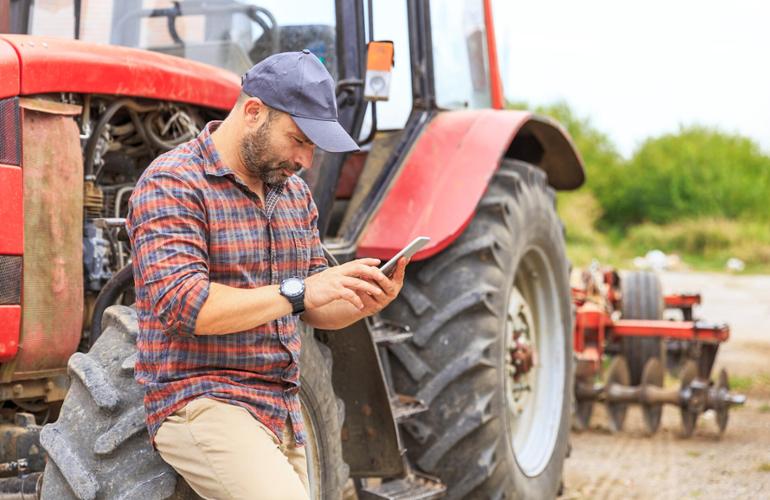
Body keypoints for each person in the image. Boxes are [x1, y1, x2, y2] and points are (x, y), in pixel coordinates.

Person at [127, 50, 407, 500]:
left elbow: (315, 307)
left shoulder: (294, 195)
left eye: (312, 147)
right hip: (203, 401)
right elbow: (186, 306)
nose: (306, 161)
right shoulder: (173, 183)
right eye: (298, 140)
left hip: (282, 410)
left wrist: (363, 301)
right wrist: (302, 290)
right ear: (253, 111)